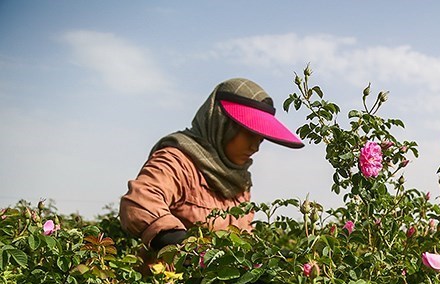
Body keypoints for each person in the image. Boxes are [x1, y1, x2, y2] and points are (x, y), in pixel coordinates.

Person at [119, 77, 304, 256]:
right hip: (171, 282)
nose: (255, 147)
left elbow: (244, 237)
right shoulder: (178, 161)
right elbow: (140, 203)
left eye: (261, 139)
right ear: (222, 124)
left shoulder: (238, 182)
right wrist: (188, 252)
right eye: (249, 135)